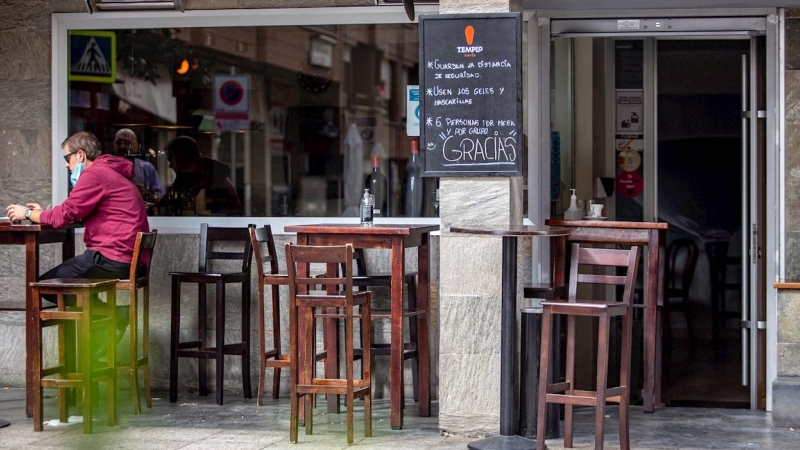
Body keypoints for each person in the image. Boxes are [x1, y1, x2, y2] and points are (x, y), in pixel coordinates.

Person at [6, 131, 151, 342]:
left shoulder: (94, 175)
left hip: (113, 258)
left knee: (45, 285)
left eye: (68, 159)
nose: (67, 165)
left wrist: (28, 213)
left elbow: (64, 216)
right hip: (128, 259)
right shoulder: (109, 171)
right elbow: (72, 211)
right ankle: (103, 333)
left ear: (80, 155)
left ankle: (115, 316)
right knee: (66, 287)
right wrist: (44, 213)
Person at [164, 135, 243, 216]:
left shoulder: (205, 177)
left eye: (170, 158)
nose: (170, 165)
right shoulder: (207, 173)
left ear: (179, 157)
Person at [112, 128, 165, 203]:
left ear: (136, 146)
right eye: (118, 142)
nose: (122, 146)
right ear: (113, 144)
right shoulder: (105, 168)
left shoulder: (147, 168)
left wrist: (146, 194)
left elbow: (160, 198)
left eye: (127, 143)